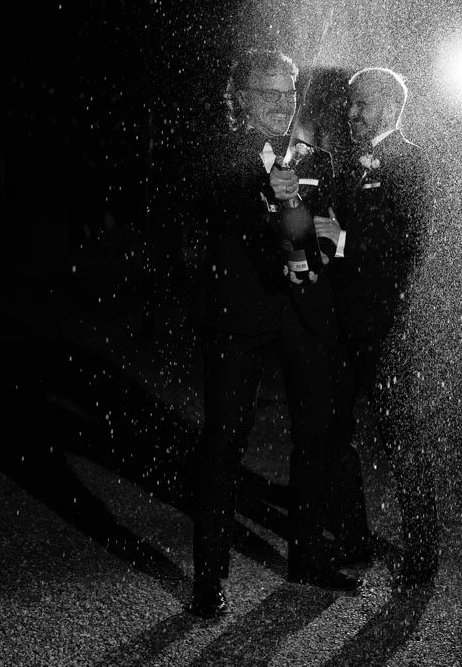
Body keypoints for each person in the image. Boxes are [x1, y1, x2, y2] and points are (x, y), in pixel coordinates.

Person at [187, 48, 356, 619]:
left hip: (304, 313)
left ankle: (307, 556)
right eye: (269, 94)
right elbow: (223, 214)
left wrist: (303, 218)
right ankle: (209, 577)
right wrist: (271, 198)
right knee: (224, 442)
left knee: (315, 436)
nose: (284, 105)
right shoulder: (217, 155)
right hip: (239, 316)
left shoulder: (314, 158)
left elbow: (331, 236)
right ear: (240, 98)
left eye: (289, 93)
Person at [314, 67, 440, 587]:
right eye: (349, 104)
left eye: (360, 104)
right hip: (343, 323)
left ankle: (423, 552)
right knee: (334, 432)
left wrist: (339, 241)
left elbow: (405, 244)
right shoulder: (348, 163)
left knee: (399, 436)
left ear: (389, 108)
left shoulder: (411, 162)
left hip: (386, 326)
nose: (351, 113)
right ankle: (352, 538)